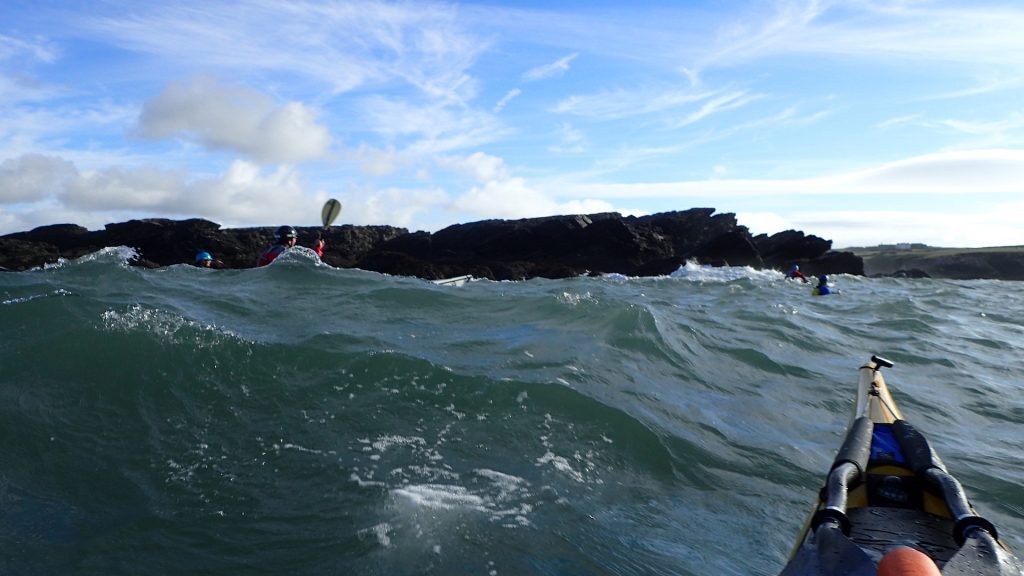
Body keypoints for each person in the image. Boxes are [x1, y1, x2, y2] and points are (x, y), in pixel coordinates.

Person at [256, 225, 325, 267]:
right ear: (289, 240)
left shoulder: (269, 250)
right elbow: (309, 262)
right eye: (294, 238)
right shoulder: (285, 252)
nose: (295, 240)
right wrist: (318, 248)